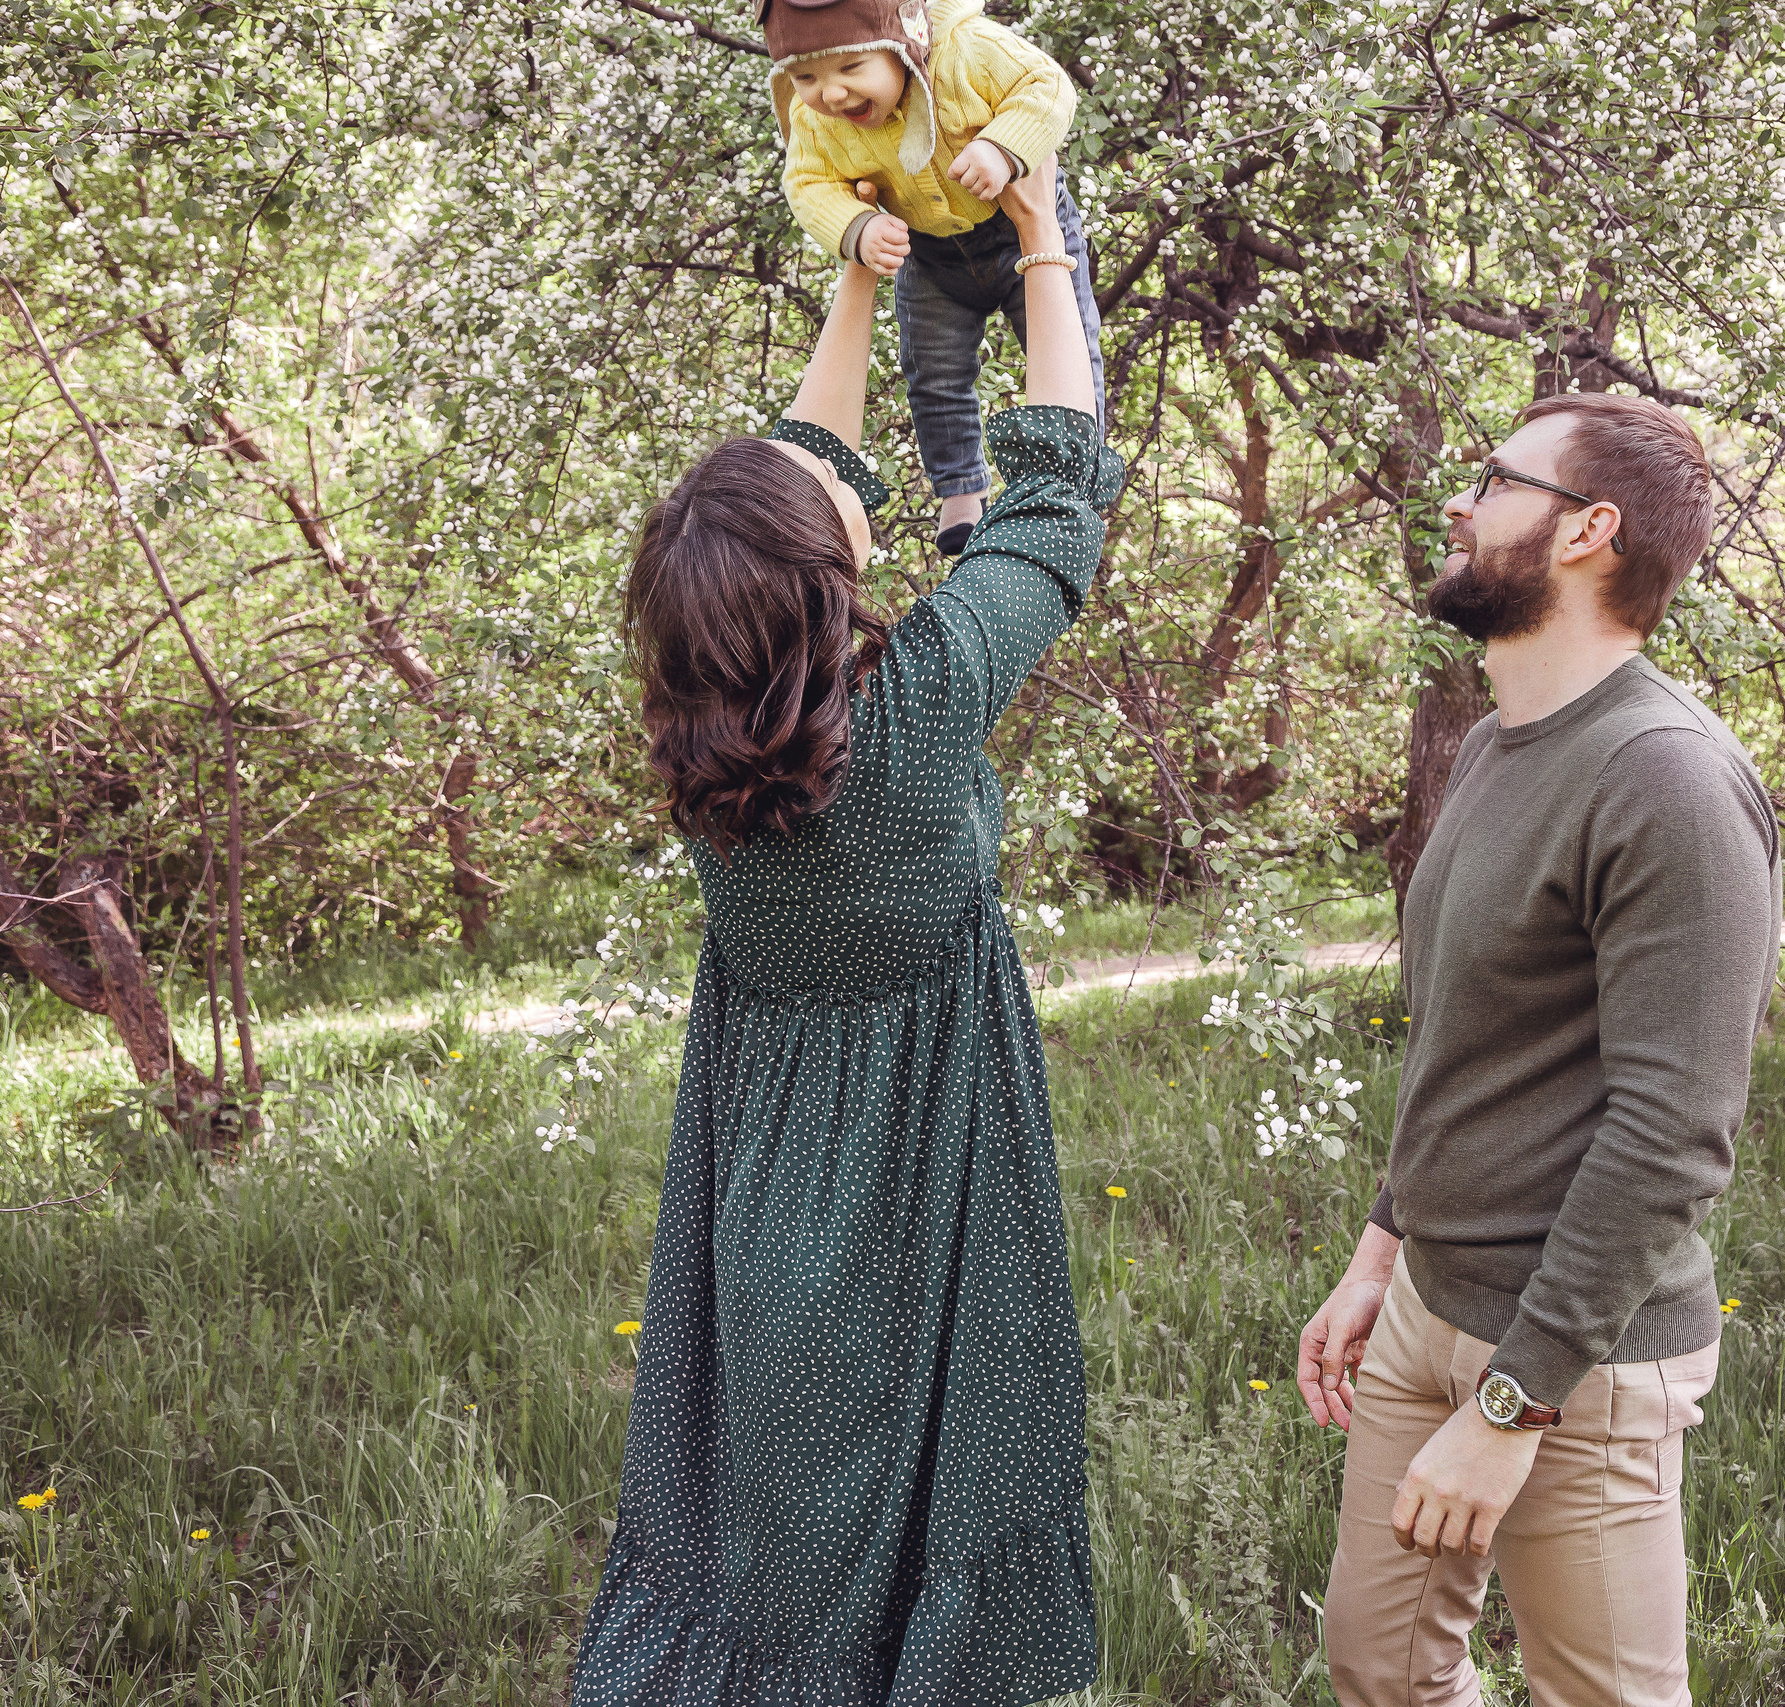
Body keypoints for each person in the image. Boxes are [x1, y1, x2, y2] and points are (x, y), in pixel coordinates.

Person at [568, 162, 1119, 1707]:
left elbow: (804, 460)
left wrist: (866, 275)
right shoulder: (917, 709)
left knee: (784, 1548)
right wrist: (1039, 238)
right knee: (930, 1521)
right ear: (823, 584)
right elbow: (1060, 486)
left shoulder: (705, 741)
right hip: (933, 1180)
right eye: (825, 504)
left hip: (770, 1192)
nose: (836, 476)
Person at [1294, 395, 1780, 1706]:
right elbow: (1473, 1042)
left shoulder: (1669, 777)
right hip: (1425, 1311)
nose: (1460, 502)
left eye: (1495, 479)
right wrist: (1382, 1246)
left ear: (1590, 530)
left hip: (1587, 1357)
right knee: (1380, 1665)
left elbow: (1674, 1130)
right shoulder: (1502, 744)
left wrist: (1515, 1406)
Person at [762, 0, 1104, 556]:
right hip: (929, 253)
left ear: (903, 43)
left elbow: (1046, 85)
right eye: (805, 76)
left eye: (851, 69)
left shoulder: (965, 53)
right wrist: (857, 225)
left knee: (1068, 345)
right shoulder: (815, 120)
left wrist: (1002, 145)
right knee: (933, 371)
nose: (831, 94)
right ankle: (961, 489)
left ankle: (1080, 481)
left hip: (1017, 226)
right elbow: (807, 183)